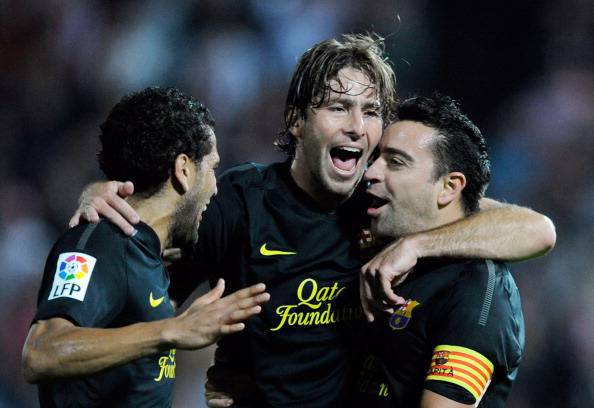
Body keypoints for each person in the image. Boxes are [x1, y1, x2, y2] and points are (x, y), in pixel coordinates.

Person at [70, 34, 555, 407]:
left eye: (371, 112)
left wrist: (415, 246)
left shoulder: (386, 205)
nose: (356, 127)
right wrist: (108, 198)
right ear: (296, 121)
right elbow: (142, 293)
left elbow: (535, 229)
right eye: (338, 107)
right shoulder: (240, 203)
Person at [21, 87, 270, 407]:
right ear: (184, 169)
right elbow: (41, 352)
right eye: (212, 169)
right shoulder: (102, 245)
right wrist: (173, 330)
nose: (215, 187)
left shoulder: (147, 253)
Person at [358, 93, 524, 407]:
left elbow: (542, 230)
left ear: (448, 187)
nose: (371, 173)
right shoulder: (383, 244)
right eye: (376, 158)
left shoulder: (476, 291)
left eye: (395, 162)